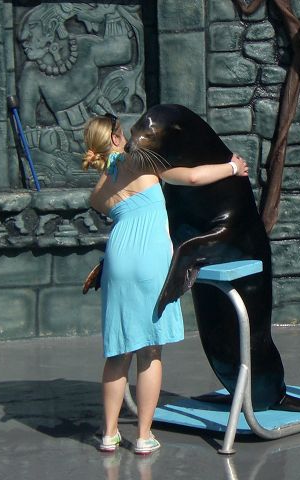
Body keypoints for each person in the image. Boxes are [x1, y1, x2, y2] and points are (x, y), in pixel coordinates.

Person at [82, 114, 249, 455]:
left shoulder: (99, 192)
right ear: (115, 138)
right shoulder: (142, 163)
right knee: (150, 351)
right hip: (149, 259)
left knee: (118, 352)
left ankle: (109, 434)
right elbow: (192, 177)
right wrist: (233, 167)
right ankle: (144, 436)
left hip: (117, 259)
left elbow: (103, 202)